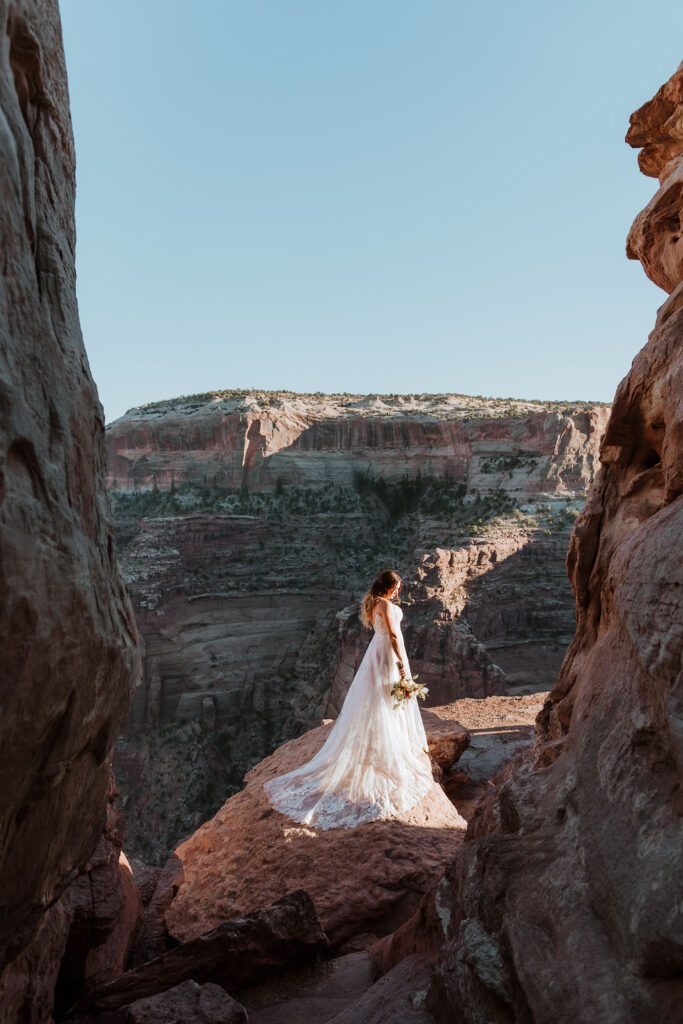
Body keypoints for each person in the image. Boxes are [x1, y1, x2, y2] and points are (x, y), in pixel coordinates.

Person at [263, 569, 435, 829]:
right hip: (387, 653)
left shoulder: (374, 603)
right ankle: (388, 749)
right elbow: (392, 634)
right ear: (388, 587)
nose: (399, 591)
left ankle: (382, 743)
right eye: (397, 587)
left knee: (377, 698)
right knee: (385, 698)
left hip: (375, 653)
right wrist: (402, 664)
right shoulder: (386, 604)